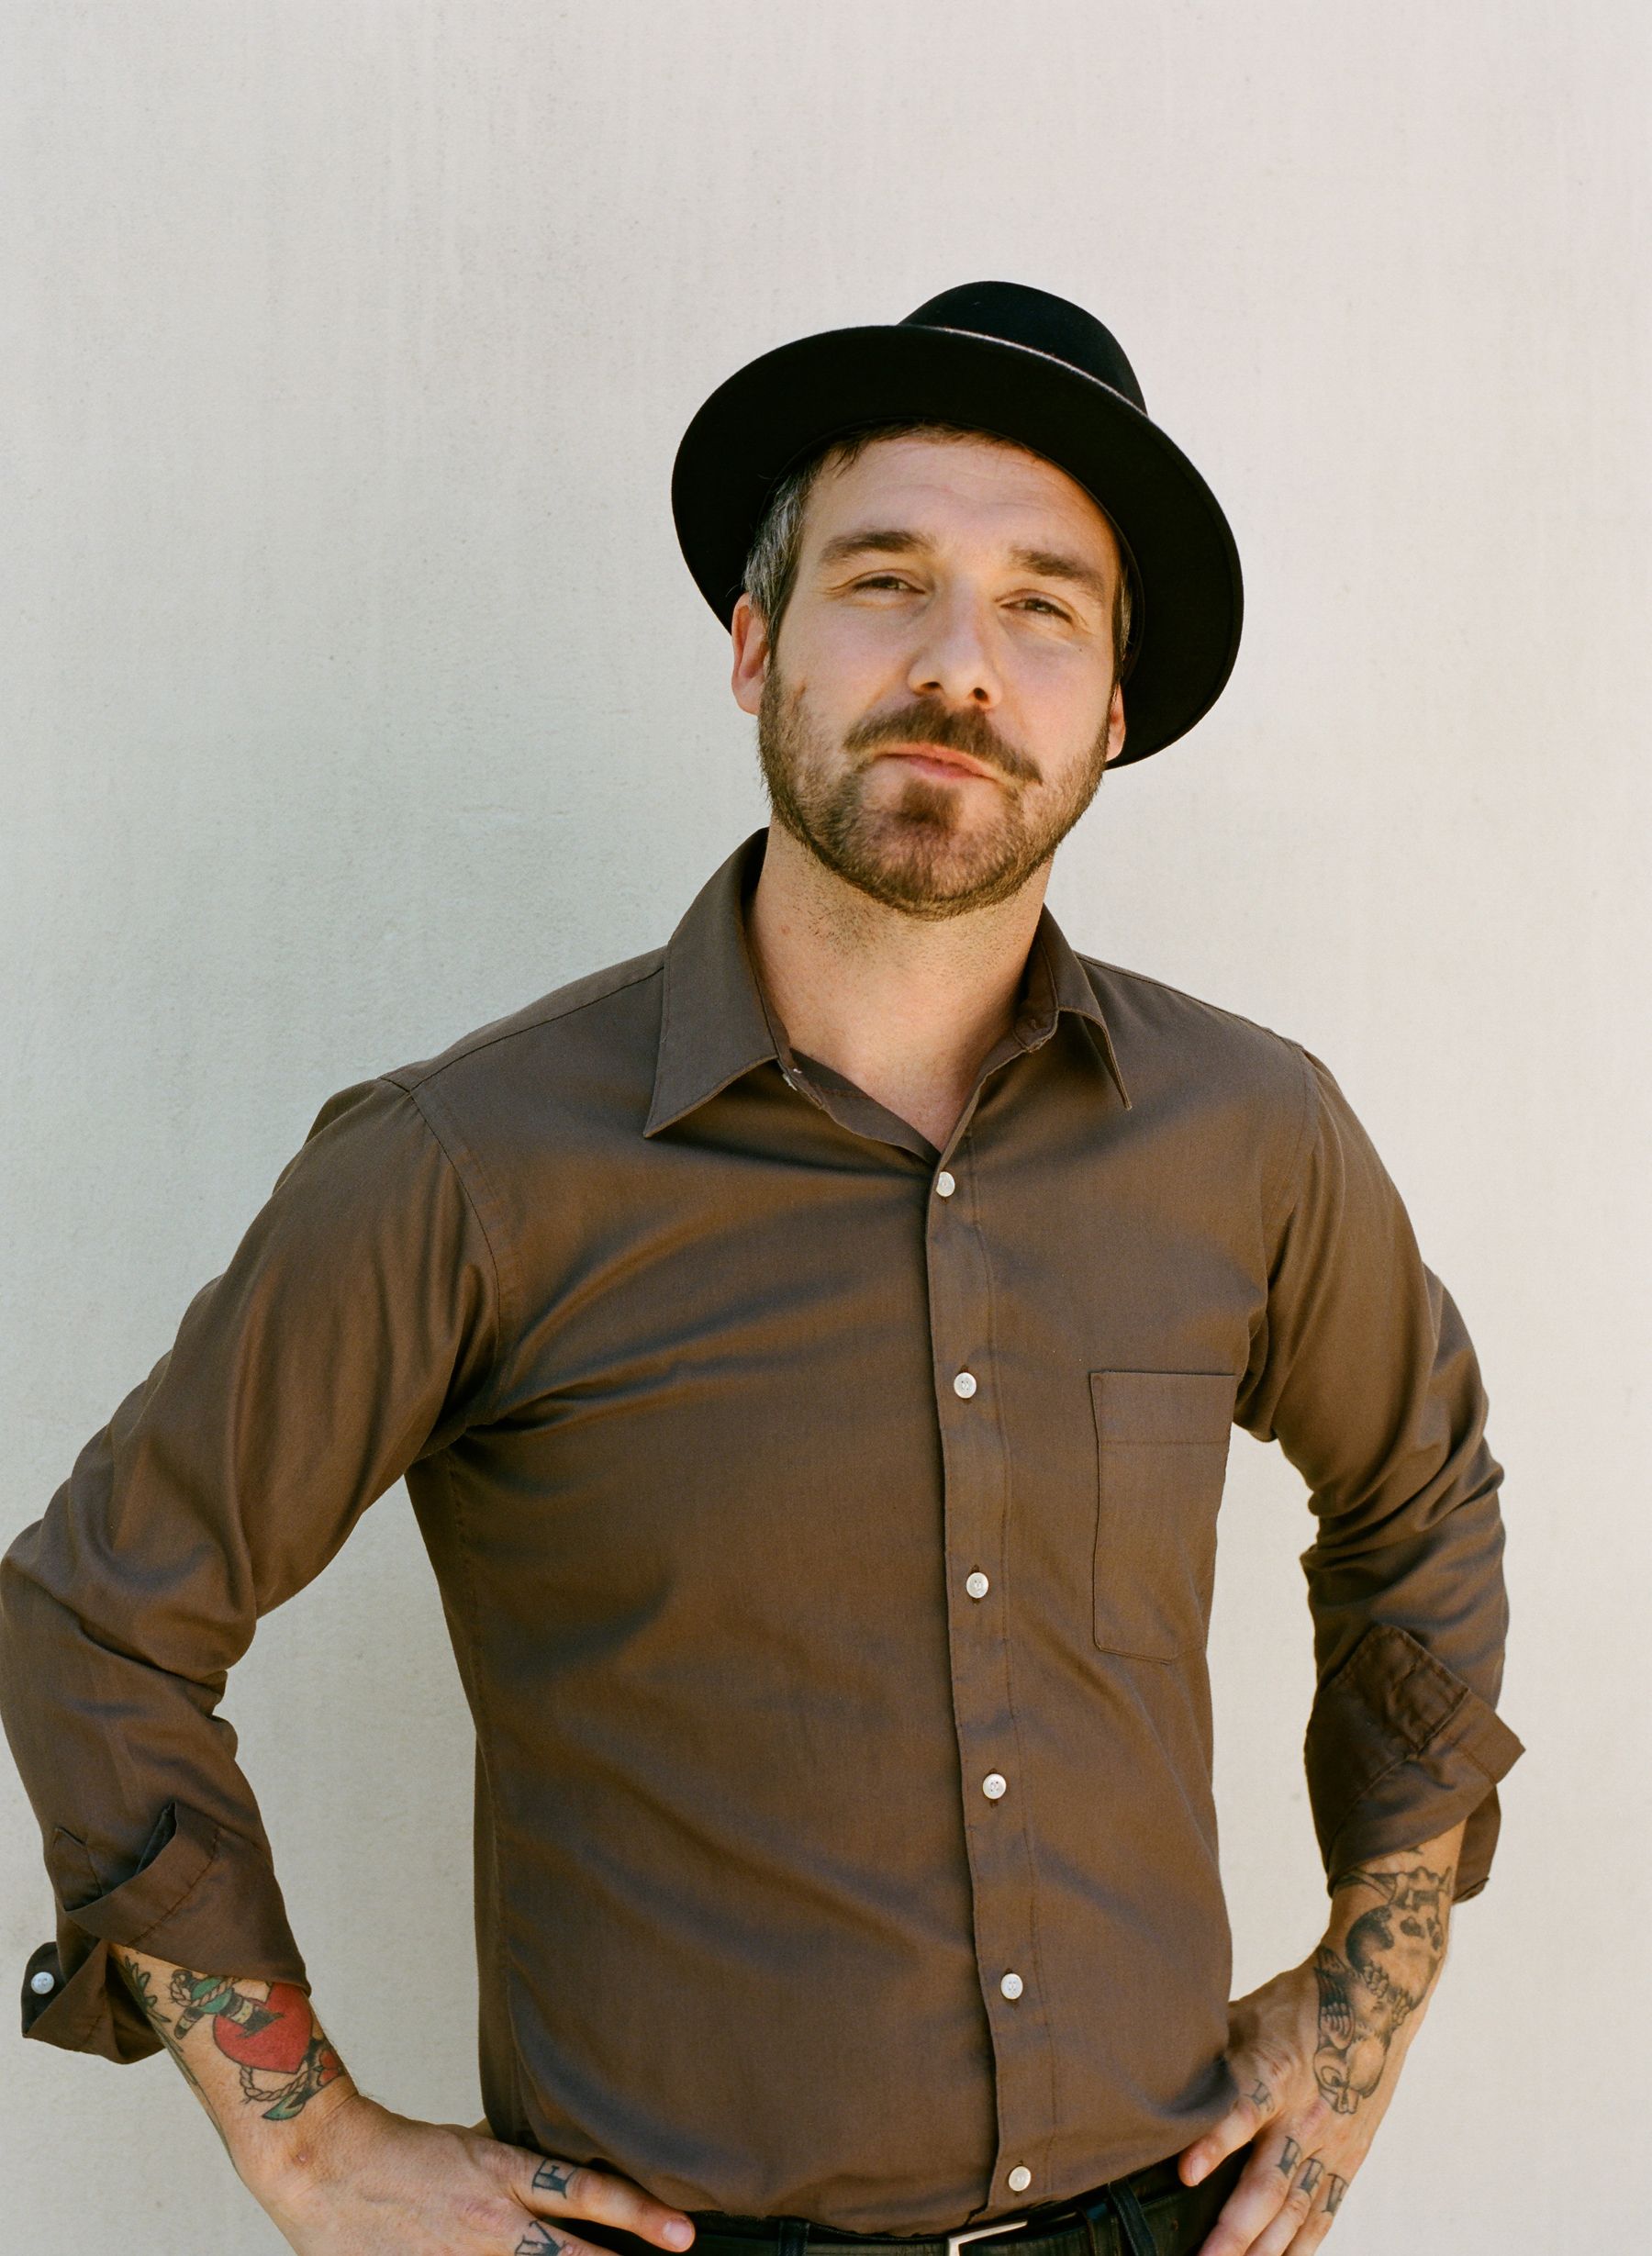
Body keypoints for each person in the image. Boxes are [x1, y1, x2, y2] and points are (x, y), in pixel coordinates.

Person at [1, 282, 1522, 2256]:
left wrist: (1366, 2006)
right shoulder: (467, 1168)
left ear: (1111, 714)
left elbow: (1420, 1499)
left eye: (1044, 607)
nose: (960, 664)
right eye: (887, 581)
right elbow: (99, 1617)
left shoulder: (1255, 1134)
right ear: (754, 643)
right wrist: (307, 2145)